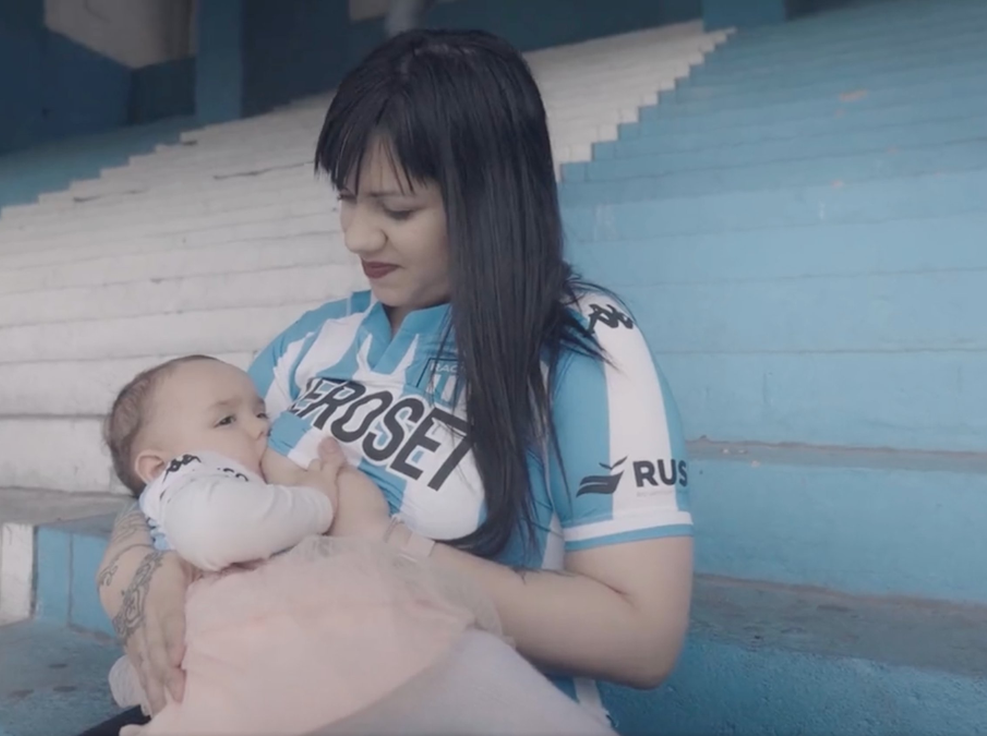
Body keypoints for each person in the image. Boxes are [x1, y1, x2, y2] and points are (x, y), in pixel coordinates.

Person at [82, 28, 693, 736]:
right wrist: (149, 578)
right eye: (346, 199)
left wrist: (391, 546)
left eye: (396, 210)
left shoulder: (581, 345)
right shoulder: (313, 341)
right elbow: (173, 477)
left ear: (490, 199)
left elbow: (644, 636)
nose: (357, 237)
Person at [99, 355, 609, 735]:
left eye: (258, 411)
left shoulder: (177, 489)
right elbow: (212, 528)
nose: (260, 426)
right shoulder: (190, 474)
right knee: (456, 663)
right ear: (156, 466)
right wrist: (316, 500)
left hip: (240, 659)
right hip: (265, 621)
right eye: (226, 420)